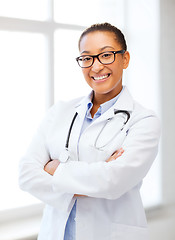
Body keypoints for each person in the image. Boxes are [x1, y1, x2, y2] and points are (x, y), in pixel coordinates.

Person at [19, 22, 161, 240]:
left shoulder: (143, 120)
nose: (96, 67)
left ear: (125, 59)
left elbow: (114, 182)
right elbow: (27, 175)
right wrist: (99, 172)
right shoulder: (59, 112)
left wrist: (55, 168)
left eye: (106, 55)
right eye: (87, 58)